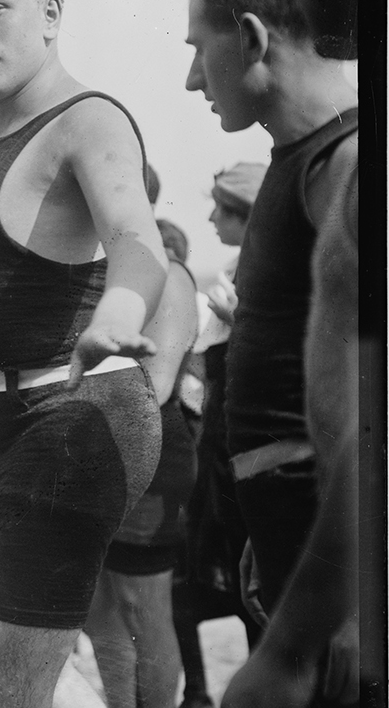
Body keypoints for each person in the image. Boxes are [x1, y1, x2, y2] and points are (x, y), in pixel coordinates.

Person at [0, 0, 170, 707]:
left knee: (4, 689)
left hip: (74, 414)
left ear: (51, 13)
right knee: (27, 678)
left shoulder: (87, 119)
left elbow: (138, 238)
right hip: (22, 420)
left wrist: (119, 309)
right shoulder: (6, 138)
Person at [181, 0, 359, 660]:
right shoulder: (299, 162)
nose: (191, 79)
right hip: (289, 520)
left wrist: (350, 602)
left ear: (253, 38)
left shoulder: (345, 166)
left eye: (199, 50)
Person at [82, 171, 200, 708]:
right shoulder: (93, 274)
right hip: (91, 456)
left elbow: (158, 384)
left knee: (145, 607)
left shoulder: (168, 274)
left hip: (148, 458)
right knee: (101, 610)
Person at [171, 163, 266, 708]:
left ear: (247, 215)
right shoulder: (240, 267)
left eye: (222, 209)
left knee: (250, 580)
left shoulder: (257, 273)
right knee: (235, 578)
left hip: (239, 452)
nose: (210, 217)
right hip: (223, 451)